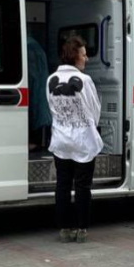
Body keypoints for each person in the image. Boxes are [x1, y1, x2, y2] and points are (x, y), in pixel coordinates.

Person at [47, 36, 103, 243]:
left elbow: (52, 108)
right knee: (82, 186)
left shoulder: (51, 79)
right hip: (82, 141)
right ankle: (81, 228)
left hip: (61, 139)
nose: (86, 58)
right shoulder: (85, 81)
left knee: (62, 185)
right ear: (74, 56)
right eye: (83, 54)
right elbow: (95, 109)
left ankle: (64, 228)